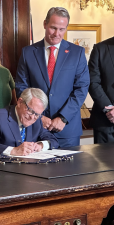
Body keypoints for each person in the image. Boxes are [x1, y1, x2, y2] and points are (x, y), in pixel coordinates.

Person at [15, 7, 89, 148]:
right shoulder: (28, 53)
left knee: (69, 170)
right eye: (53, 28)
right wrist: (38, 117)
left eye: (62, 29)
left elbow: (81, 88)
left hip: (67, 130)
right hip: (36, 127)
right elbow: (21, 87)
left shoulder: (77, 53)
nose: (57, 34)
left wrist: (63, 118)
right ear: (45, 24)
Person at [0, 88, 59, 156]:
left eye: (37, 114)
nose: (32, 117)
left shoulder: (37, 120)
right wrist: (13, 150)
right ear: (20, 102)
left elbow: (54, 141)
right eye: (30, 110)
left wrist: (40, 145)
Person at [89, 37, 114, 143]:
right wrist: (109, 109)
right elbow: (92, 82)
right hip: (105, 123)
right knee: (104, 160)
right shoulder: (100, 48)